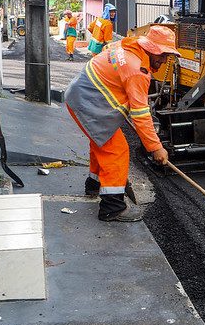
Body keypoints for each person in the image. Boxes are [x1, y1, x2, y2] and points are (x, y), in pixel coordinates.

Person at [64, 26, 177, 221]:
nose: (164, 60)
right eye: (162, 54)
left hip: (81, 95)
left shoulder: (126, 46)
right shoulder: (137, 71)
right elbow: (141, 114)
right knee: (116, 150)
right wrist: (155, 148)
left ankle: (94, 185)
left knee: (101, 143)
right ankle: (112, 207)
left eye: (168, 55)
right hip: (88, 103)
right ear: (150, 49)